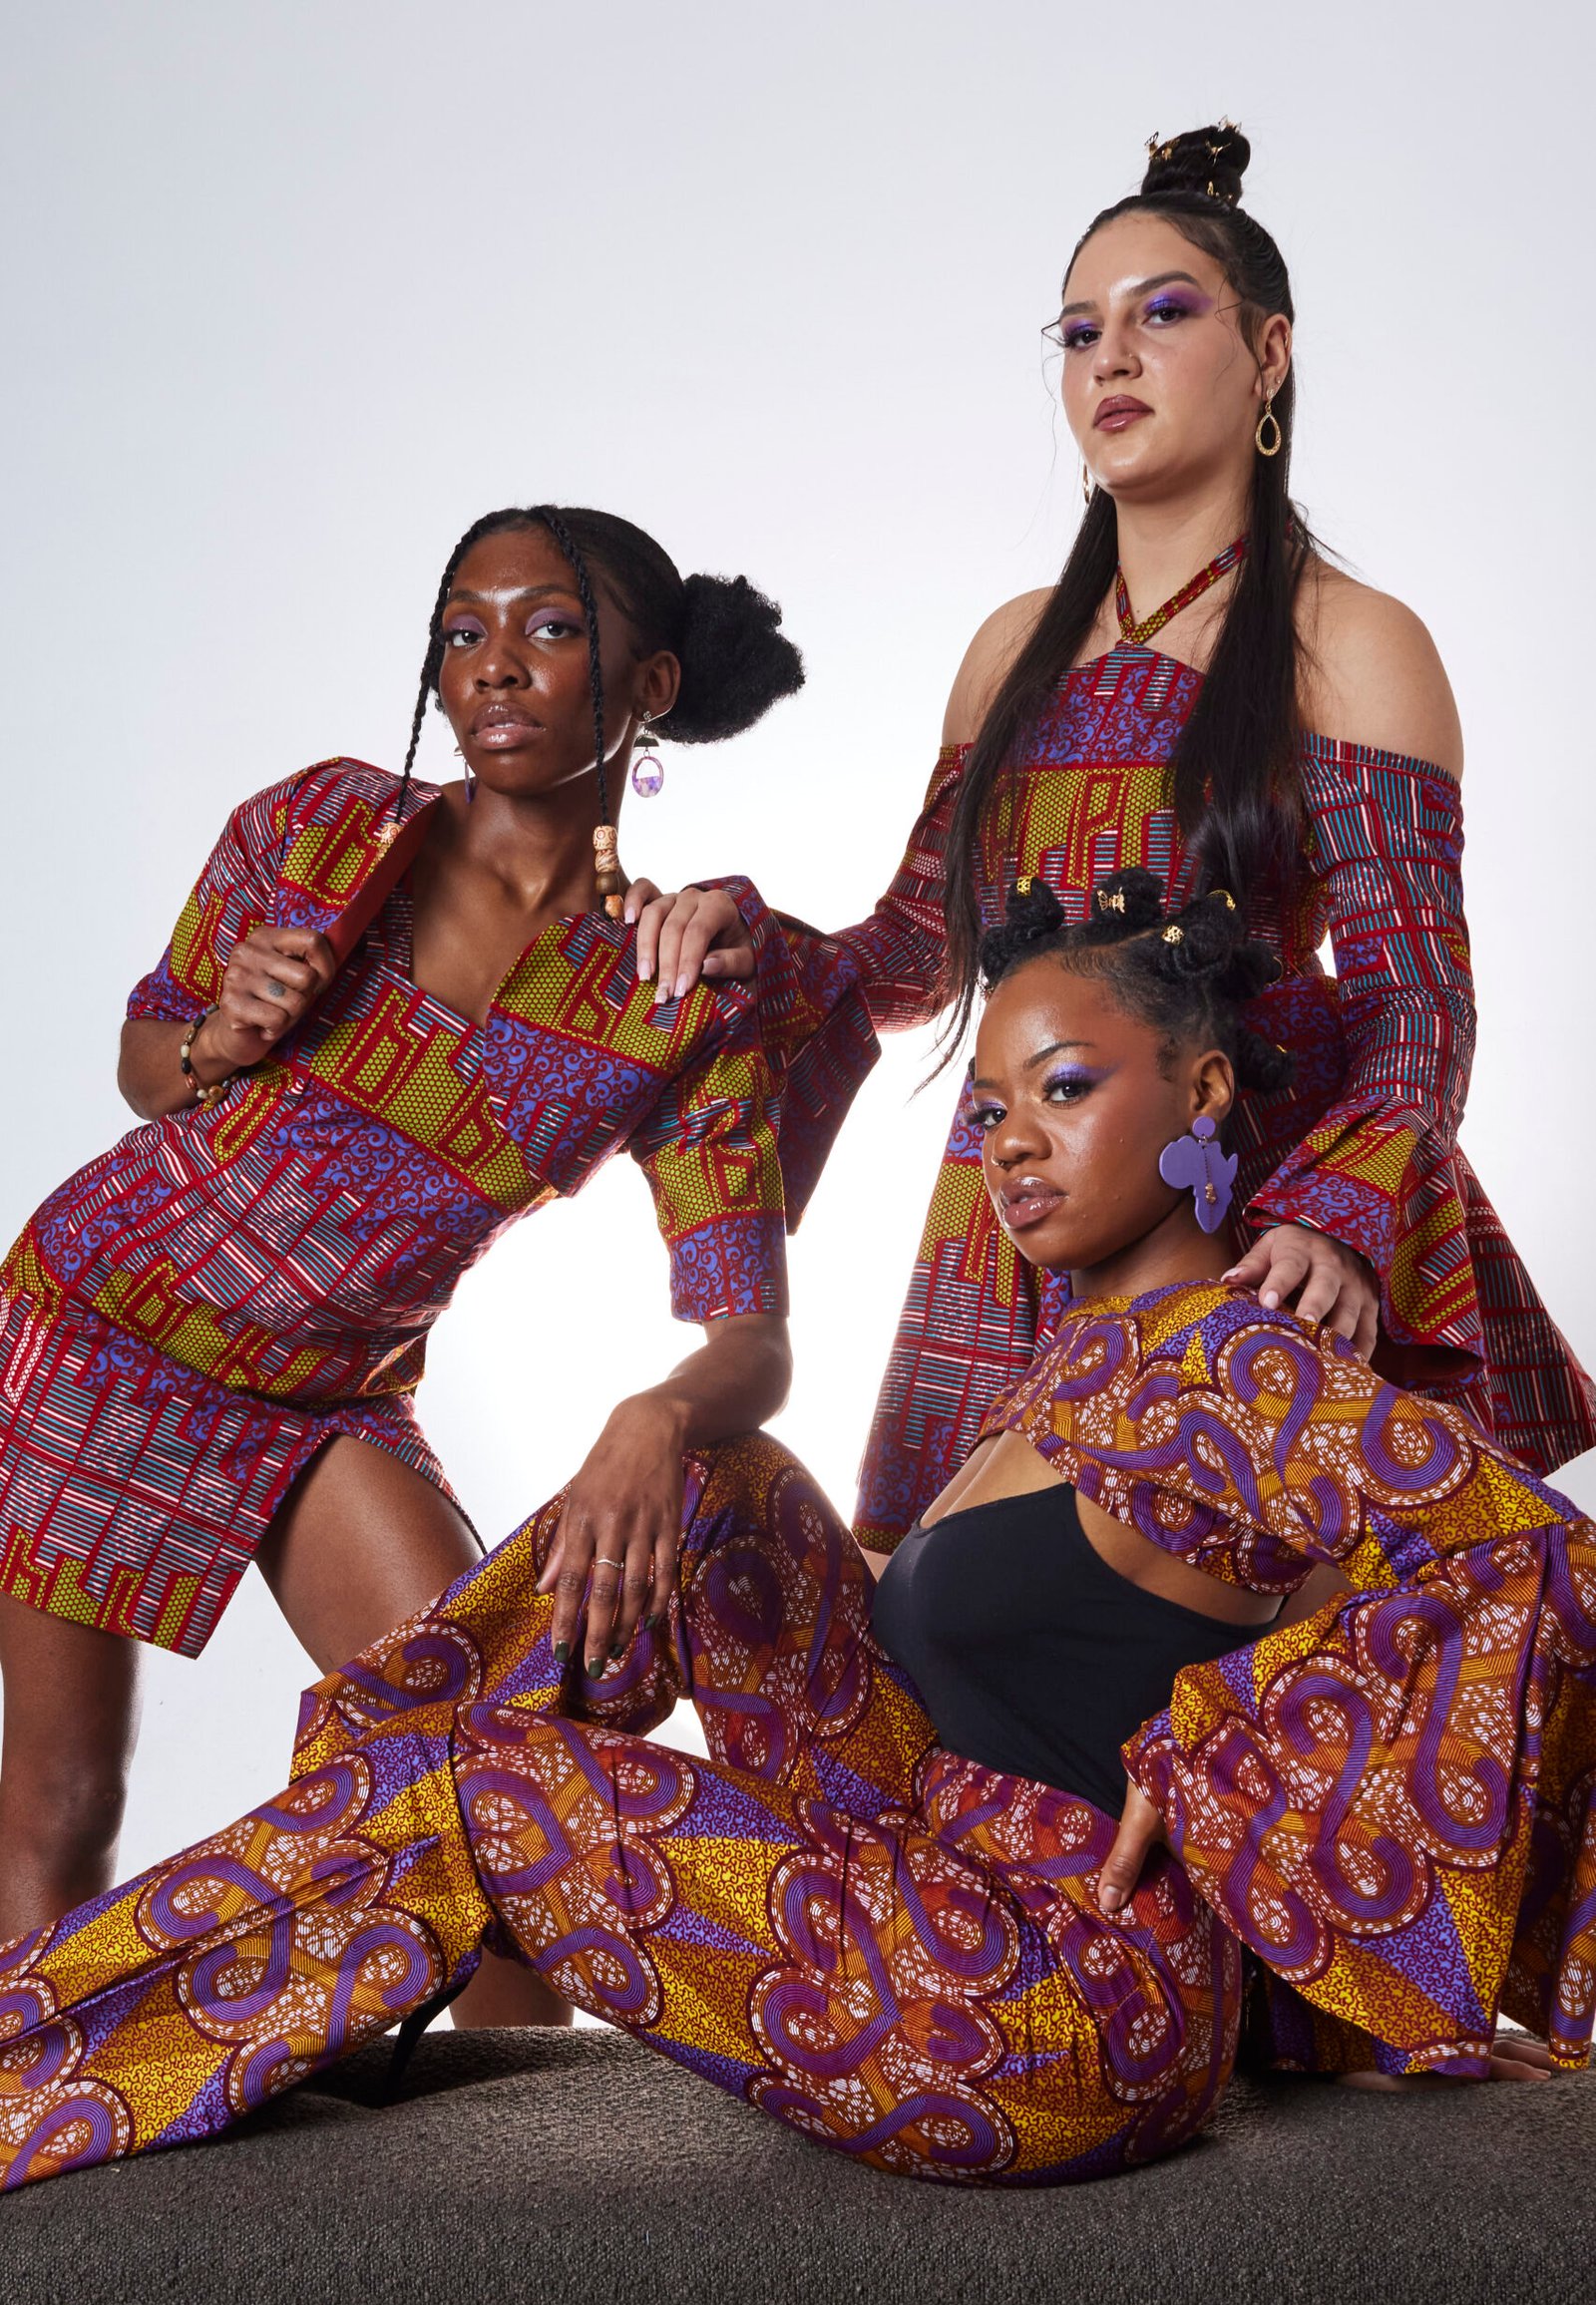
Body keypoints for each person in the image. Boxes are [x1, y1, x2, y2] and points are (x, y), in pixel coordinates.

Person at [3, 870, 1582, 2197]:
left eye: (1067, 1088)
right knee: (723, 1482)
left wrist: (1234, 1765)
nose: (1010, 1143)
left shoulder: (1234, 1358)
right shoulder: (1069, 1364)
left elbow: (1538, 1566)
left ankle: (63, 2045)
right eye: (989, 1108)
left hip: (1057, 1999)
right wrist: (659, 1420)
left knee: (482, 1782)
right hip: (925, 1855)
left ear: (1204, 1093)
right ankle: (339, 1842)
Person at [631, 121, 1594, 1555]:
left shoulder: (1350, 641)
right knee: (942, 1624)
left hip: (1242, 1201)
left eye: (1164, 314)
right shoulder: (1012, 647)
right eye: (1081, 332)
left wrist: (1335, 1220)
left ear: (1270, 354)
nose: (1111, 360)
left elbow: (1415, 1000)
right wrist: (751, 940)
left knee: (1252, 1641)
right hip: (1017, 1189)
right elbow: (919, 953)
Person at [0, 503, 869, 2028]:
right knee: (64, 1805)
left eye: (549, 627)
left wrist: (658, 1413)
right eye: (463, 631)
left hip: (329, 1389)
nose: (494, 666)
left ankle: (510, 2181)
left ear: (651, 683)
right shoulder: (320, 823)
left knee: (491, 1786)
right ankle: (37, 2149)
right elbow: (148, 1057)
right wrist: (220, 1035)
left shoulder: (670, 987)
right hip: (100, 1329)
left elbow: (756, 1334)